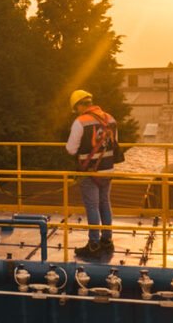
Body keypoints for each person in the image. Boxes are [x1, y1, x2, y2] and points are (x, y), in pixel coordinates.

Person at [65, 89, 119, 260]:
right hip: (108, 169)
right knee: (104, 202)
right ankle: (107, 240)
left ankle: (93, 244)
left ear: (80, 105)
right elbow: (115, 144)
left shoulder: (80, 122)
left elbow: (71, 149)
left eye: (76, 108)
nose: (77, 111)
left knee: (92, 206)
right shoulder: (110, 119)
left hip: (89, 171)